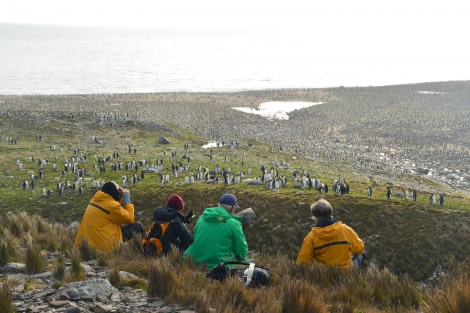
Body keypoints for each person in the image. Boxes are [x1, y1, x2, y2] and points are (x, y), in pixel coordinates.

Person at [75, 181, 146, 252]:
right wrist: (127, 201)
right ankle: (147, 248)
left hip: (85, 246)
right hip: (105, 246)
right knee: (137, 226)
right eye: (118, 189)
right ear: (115, 193)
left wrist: (118, 196)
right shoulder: (111, 206)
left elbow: (113, 210)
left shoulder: (94, 200)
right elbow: (130, 219)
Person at [183, 193, 248, 268]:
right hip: (220, 265)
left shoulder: (201, 218)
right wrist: (244, 261)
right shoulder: (234, 224)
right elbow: (241, 247)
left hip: (195, 261)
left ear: (218, 205)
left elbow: (195, 237)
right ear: (233, 208)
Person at [296, 199, 365, 269]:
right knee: (361, 253)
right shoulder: (345, 229)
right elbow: (359, 248)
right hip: (346, 273)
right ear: (331, 213)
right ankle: (357, 277)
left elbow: (302, 263)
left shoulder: (311, 237)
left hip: (325, 275)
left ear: (315, 217)